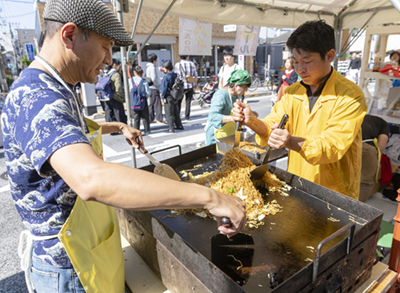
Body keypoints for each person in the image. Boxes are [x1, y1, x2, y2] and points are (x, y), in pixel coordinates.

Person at [1, 1, 246, 292]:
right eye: (105, 47)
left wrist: (117, 126)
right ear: (69, 35)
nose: (108, 60)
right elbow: (91, 179)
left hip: (85, 247)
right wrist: (209, 198)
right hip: (67, 266)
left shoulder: (55, 86)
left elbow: (68, 133)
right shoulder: (38, 96)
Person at [232, 20, 367, 200]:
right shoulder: (293, 92)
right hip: (298, 181)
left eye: (307, 61)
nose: (300, 69)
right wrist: (252, 122)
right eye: (295, 62)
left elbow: (332, 146)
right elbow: (273, 124)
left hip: (334, 190)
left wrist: (289, 141)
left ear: (329, 56)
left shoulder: (350, 95)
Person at [205, 70, 252, 146]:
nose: (245, 91)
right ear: (236, 86)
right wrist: (232, 118)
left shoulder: (236, 95)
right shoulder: (221, 95)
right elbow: (212, 117)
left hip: (229, 136)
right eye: (245, 88)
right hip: (217, 138)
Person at [359, 114, 390, 202]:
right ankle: (354, 211)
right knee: (366, 183)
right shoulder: (384, 124)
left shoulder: (361, 116)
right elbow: (381, 147)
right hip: (365, 147)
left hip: (346, 145)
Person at [160, 60, 184, 133]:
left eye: (163, 68)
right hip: (175, 96)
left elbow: (164, 88)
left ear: (166, 68)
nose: (163, 69)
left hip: (168, 96)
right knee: (176, 112)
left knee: (169, 113)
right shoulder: (176, 75)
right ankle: (179, 125)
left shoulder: (166, 76)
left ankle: (171, 128)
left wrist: (162, 97)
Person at [102, 59, 128, 126]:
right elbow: (118, 88)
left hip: (107, 96)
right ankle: (121, 127)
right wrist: (122, 97)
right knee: (118, 113)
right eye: (118, 65)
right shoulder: (116, 74)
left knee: (109, 113)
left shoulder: (106, 74)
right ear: (114, 65)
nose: (119, 67)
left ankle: (111, 129)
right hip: (115, 97)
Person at [174, 55, 198, 121]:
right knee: (188, 101)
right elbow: (195, 75)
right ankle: (187, 116)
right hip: (190, 85)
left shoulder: (177, 64)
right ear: (187, 57)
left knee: (179, 101)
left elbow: (176, 75)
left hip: (181, 86)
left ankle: (177, 116)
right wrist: (195, 84)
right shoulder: (191, 64)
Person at [129, 65, 151, 135]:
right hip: (142, 101)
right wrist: (145, 98)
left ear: (134, 72)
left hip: (133, 102)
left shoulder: (130, 81)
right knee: (145, 117)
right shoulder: (143, 81)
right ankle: (146, 130)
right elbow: (148, 92)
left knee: (136, 118)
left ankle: (136, 131)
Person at [146, 53, 165, 125]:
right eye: (156, 60)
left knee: (151, 104)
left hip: (149, 87)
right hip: (154, 87)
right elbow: (154, 78)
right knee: (157, 104)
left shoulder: (148, 67)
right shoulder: (152, 67)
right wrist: (159, 85)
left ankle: (150, 119)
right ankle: (159, 119)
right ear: (154, 60)